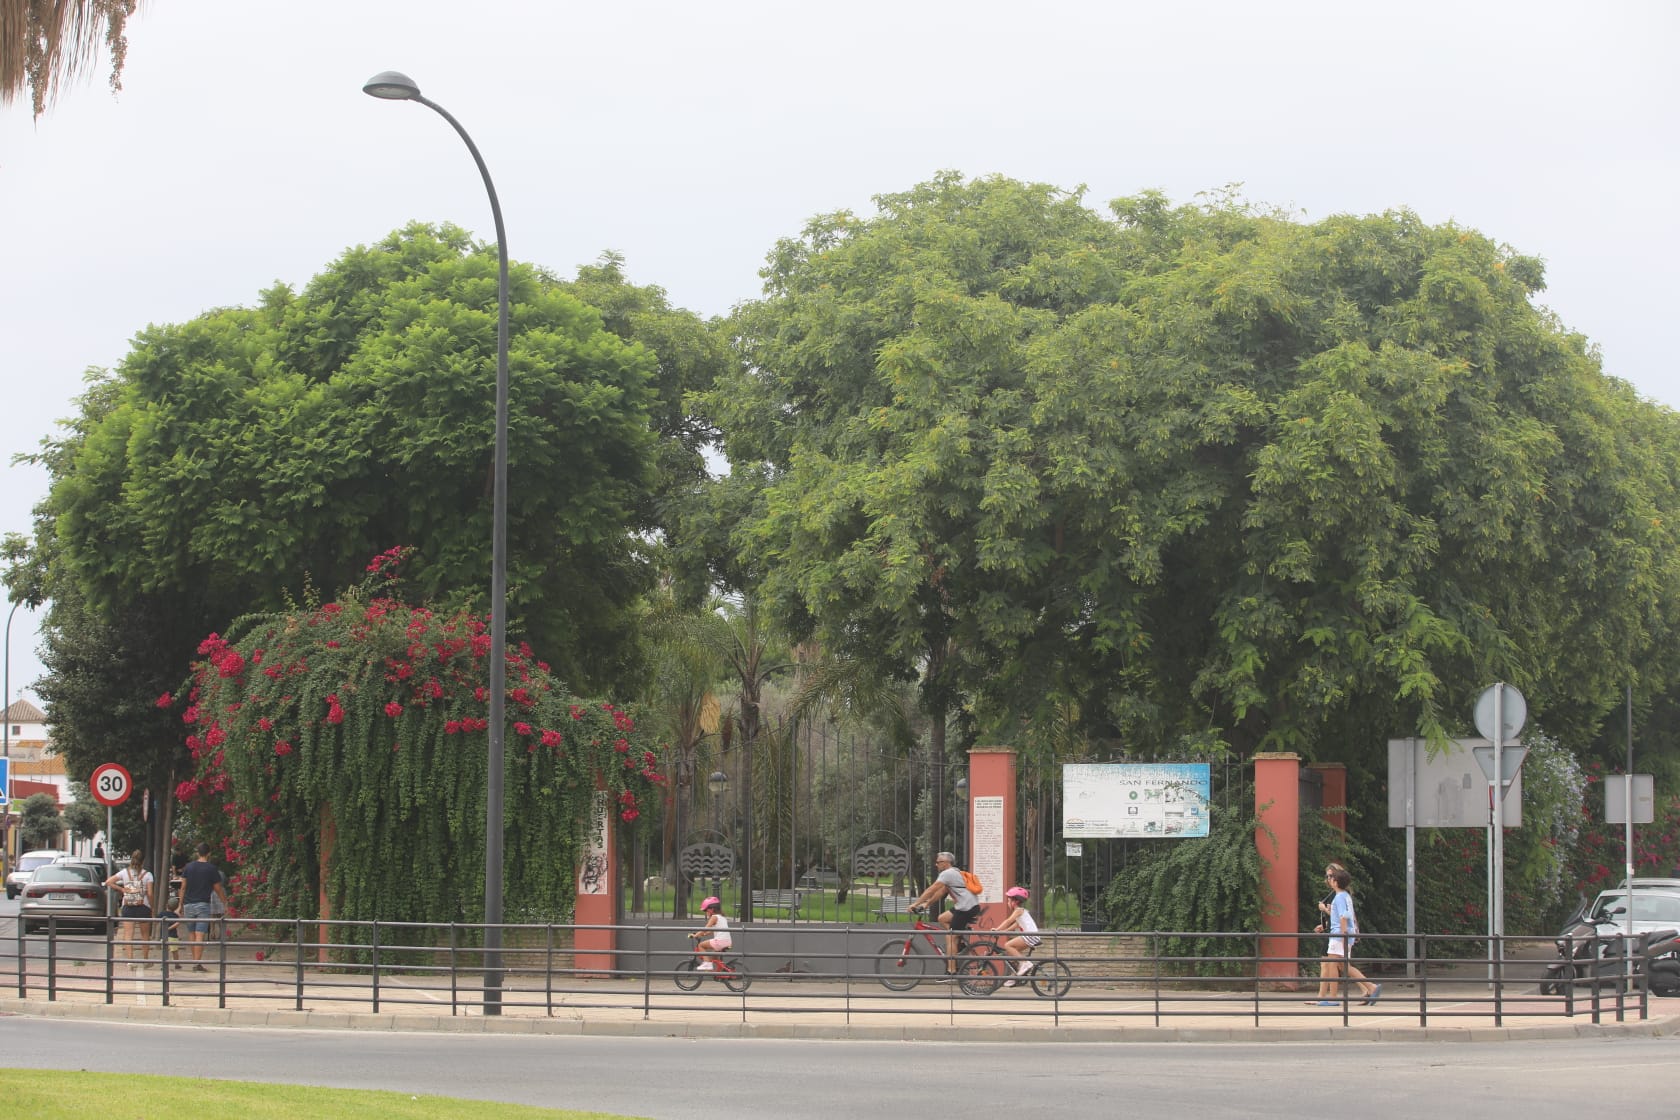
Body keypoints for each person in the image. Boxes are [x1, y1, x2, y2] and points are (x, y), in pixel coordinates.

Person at [907, 851, 982, 981]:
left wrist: (915, 903)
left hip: (966, 908)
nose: (936, 864)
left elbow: (932, 889)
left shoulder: (947, 874)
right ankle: (959, 941)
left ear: (946, 863)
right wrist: (926, 905)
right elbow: (940, 892)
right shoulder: (954, 873)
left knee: (950, 937)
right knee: (942, 918)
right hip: (967, 906)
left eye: (938, 862)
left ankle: (951, 972)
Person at [1315, 867, 1380, 1006]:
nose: (1330, 880)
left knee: (1333, 964)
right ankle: (1370, 987)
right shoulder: (1345, 896)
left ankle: (1333, 998)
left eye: (1332, 878)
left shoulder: (1339, 897)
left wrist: (1343, 934)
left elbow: (1344, 917)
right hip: (1343, 934)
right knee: (1344, 966)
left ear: (1336, 882)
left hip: (1339, 935)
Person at [179, 842, 231, 973]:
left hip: (188, 904)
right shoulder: (211, 869)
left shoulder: (188, 867)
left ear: (197, 852)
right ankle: (197, 963)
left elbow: (183, 887)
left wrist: (180, 904)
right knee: (200, 935)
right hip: (203, 904)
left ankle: (195, 961)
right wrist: (225, 902)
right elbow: (218, 888)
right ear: (209, 853)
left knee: (191, 933)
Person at [103, 850, 154, 965]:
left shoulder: (124, 873)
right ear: (143, 861)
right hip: (143, 906)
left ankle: (130, 961)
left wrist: (122, 889)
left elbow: (108, 882)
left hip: (127, 906)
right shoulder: (148, 875)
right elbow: (150, 893)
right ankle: (146, 960)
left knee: (128, 935)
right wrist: (152, 906)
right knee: (145, 935)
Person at [993, 885, 1042, 987]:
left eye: (1008, 900)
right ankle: (1015, 977)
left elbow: (1008, 921)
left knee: (1008, 946)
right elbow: (1016, 924)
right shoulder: (1020, 912)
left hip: (1030, 935)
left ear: (1015, 902)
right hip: (1032, 936)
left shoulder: (1018, 910)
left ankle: (1025, 964)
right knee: (1013, 954)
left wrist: (997, 929)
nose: (1007, 903)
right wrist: (1005, 931)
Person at [687, 895, 731, 970]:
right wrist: (703, 934)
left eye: (706, 910)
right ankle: (720, 973)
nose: (706, 913)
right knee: (714, 956)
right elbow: (711, 930)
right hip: (727, 941)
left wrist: (696, 935)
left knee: (701, 945)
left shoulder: (714, 917)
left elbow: (706, 928)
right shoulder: (722, 917)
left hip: (720, 941)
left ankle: (707, 964)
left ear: (711, 909)